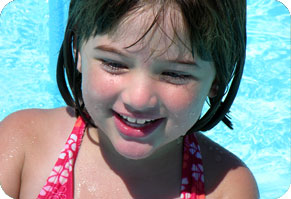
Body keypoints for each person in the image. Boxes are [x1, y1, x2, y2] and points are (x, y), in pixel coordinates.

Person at [0, 0, 259, 198]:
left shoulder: (226, 188)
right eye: (114, 64)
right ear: (78, 49)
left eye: (174, 74)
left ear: (216, 80)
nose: (139, 99)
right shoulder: (24, 145)